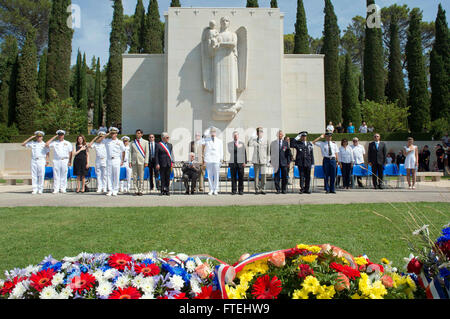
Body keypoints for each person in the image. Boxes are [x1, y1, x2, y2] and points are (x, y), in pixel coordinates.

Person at [103, 127, 126, 196]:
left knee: (116, 175)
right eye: (112, 133)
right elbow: (99, 140)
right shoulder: (107, 141)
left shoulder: (119, 142)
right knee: (109, 175)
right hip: (109, 159)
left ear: (116, 134)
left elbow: (123, 151)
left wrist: (122, 160)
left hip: (116, 159)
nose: (113, 135)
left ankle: (115, 190)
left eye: (114, 133)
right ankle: (110, 190)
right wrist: (107, 134)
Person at [248, 127, 269, 195]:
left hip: (263, 160)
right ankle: (256, 190)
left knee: (263, 175)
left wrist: (268, 160)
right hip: (256, 160)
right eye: (258, 132)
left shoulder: (266, 140)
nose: (260, 133)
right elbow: (249, 144)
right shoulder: (254, 140)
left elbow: (268, 151)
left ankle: (263, 189)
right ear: (257, 133)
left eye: (261, 131)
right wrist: (252, 136)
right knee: (256, 176)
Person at [202, 127, 223, 196]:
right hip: (209, 160)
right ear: (210, 133)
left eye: (214, 131)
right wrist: (206, 133)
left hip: (217, 160)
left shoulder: (219, 141)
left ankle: (216, 189)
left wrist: (221, 159)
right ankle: (211, 189)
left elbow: (221, 151)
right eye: (211, 132)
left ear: (216, 132)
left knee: (216, 175)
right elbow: (202, 142)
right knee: (210, 175)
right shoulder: (207, 140)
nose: (213, 133)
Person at [270, 130, 291, 194]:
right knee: (277, 177)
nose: (280, 135)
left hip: (284, 162)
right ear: (277, 135)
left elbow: (288, 153)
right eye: (279, 134)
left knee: (284, 177)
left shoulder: (285, 143)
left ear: (282, 135)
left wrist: (288, 162)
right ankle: (278, 189)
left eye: (281, 134)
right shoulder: (273, 143)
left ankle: (283, 189)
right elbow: (271, 153)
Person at [130, 129, 149, 196]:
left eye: (139, 133)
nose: (137, 134)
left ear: (141, 134)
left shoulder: (145, 142)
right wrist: (130, 161)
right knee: (134, 176)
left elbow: (147, 152)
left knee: (141, 176)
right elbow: (130, 152)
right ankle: (135, 190)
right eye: (137, 133)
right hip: (134, 161)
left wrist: (146, 161)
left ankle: (140, 190)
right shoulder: (132, 142)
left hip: (142, 161)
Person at [227, 131, 247, 195]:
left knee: (241, 177)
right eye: (234, 135)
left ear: (238, 136)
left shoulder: (242, 143)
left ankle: (241, 190)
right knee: (233, 178)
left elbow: (244, 153)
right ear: (233, 136)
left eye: (236, 135)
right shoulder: (229, 144)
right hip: (233, 163)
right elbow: (230, 151)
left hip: (241, 163)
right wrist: (238, 146)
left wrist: (245, 162)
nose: (235, 136)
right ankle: (234, 190)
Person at [155, 132, 174, 196]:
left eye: (168, 137)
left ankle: (167, 190)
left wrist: (172, 162)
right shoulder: (158, 145)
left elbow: (171, 154)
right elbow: (156, 155)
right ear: (163, 138)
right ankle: (162, 190)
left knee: (168, 177)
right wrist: (157, 163)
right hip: (161, 163)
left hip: (168, 163)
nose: (168, 138)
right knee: (162, 177)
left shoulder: (170, 145)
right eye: (167, 137)